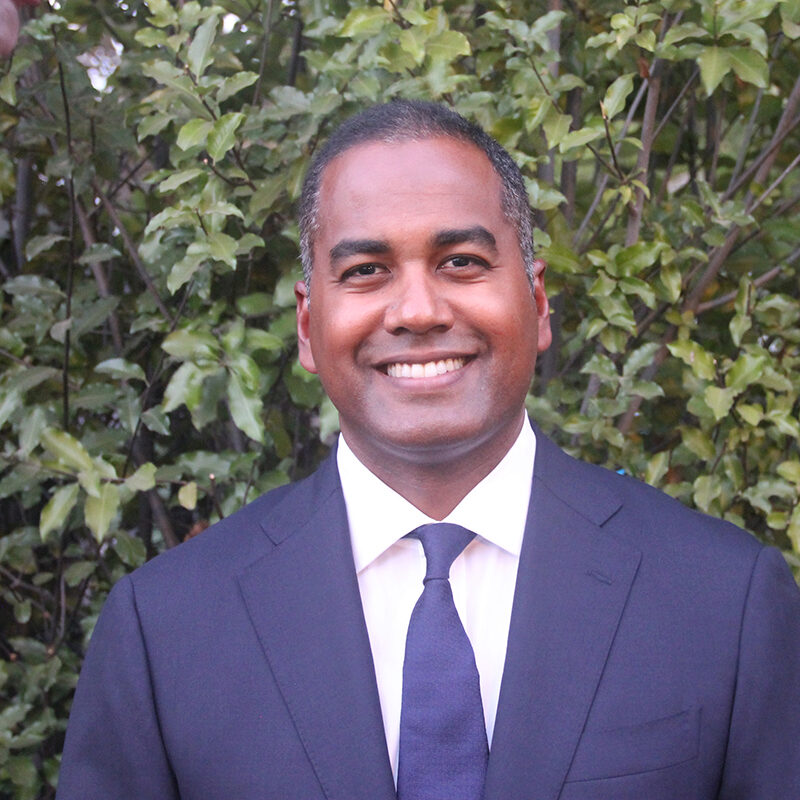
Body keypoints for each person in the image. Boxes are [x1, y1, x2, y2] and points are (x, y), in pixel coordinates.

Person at [57, 100, 800, 800]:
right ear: (308, 325)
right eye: (366, 272)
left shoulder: (726, 601)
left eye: (462, 262)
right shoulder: (164, 629)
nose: (417, 311)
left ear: (538, 303)